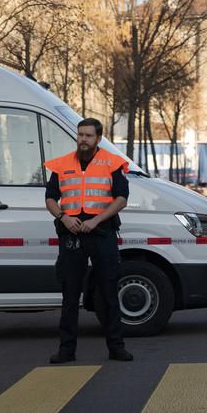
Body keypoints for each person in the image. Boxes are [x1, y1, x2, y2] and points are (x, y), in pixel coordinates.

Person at [44, 117, 133, 363]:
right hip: (72, 234)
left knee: (108, 293)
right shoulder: (62, 165)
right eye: (80, 135)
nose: (83, 139)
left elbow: (121, 198)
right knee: (70, 295)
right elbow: (50, 198)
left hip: (101, 232)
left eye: (88, 136)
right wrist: (64, 218)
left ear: (98, 139)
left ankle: (116, 348)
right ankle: (66, 350)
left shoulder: (112, 163)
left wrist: (96, 220)